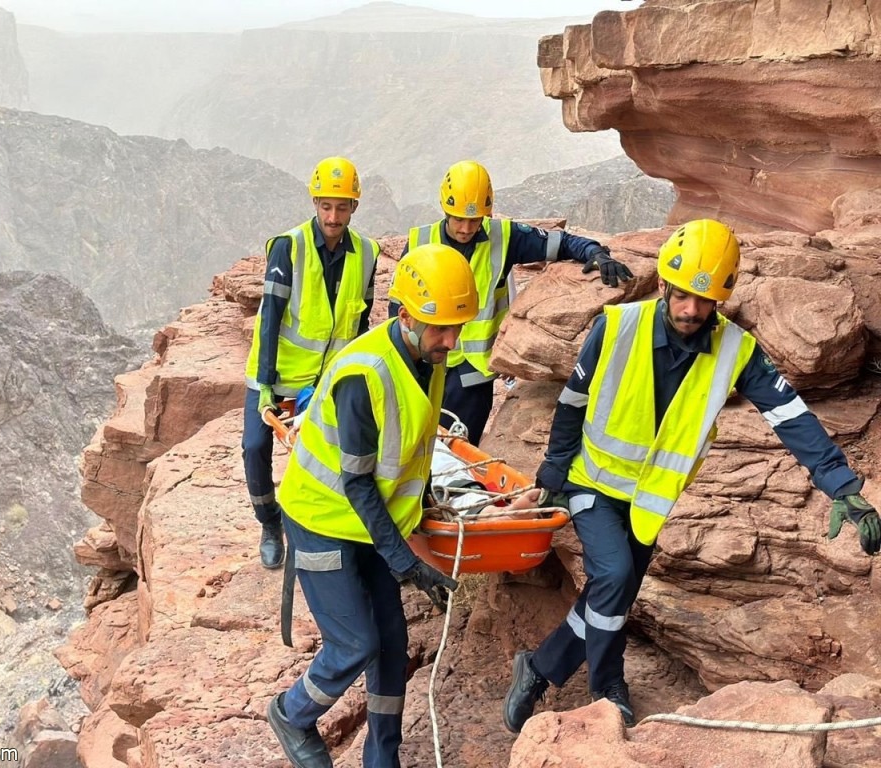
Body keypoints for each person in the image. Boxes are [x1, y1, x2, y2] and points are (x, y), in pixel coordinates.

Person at [502, 218, 881, 732]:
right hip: (591, 483)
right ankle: (606, 687)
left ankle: (541, 666)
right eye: (682, 296)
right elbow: (572, 404)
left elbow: (789, 416)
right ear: (663, 285)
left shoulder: (735, 350)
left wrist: (843, 486)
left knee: (614, 591)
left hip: (649, 500)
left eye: (705, 302)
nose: (691, 310)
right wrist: (552, 473)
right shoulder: (616, 328)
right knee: (612, 576)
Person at [267, 243, 477, 768]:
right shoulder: (365, 374)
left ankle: (382, 758)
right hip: (321, 518)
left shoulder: (426, 354)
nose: (450, 342)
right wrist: (405, 560)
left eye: (456, 328)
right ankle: (291, 714)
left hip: (370, 519)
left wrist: (426, 503)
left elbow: (411, 445)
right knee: (354, 643)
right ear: (405, 315)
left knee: (390, 641)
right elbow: (358, 483)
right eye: (440, 329)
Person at [391, 159, 634, 445]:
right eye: (459, 219)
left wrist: (595, 252)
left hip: (472, 376)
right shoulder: (420, 240)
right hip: (424, 364)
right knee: (413, 445)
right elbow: (398, 308)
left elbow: (562, 243)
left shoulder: (504, 237)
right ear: (445, 209)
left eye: (475, 219)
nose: (467, 227)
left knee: (459, 450)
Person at [243, 156, 380, 569]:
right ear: (315, 203)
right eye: (326, 206)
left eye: (341, 207)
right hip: (279, 373)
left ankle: (330, 528)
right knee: (255, 448)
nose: (333, 216)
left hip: (326, 382)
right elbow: (270, 318)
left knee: (336, 454)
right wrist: (266, 385)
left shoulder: (367, 253)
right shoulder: (291, 247)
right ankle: (270, 523)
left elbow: (361, 323)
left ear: (354, 207)